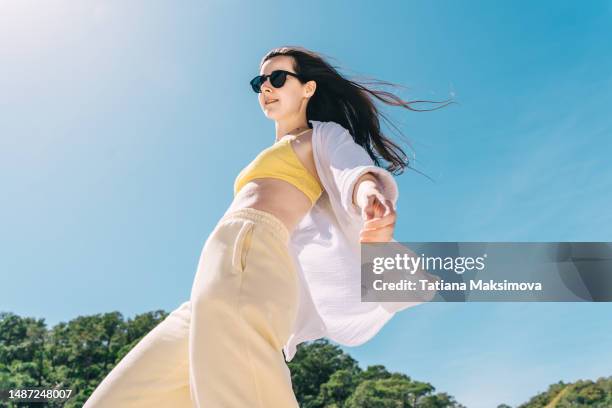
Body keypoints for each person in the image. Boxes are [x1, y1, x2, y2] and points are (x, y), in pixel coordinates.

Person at [84, 45, 453, 408]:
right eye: (259, 81)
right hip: (215, 272)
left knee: (240, 391)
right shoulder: (270, 151)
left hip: (252, 254)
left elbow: (350, 170)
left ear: (308, 88)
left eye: (278, 77)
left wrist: (370, 194)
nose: (266, 87)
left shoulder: (320, 136)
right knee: (124, 397)